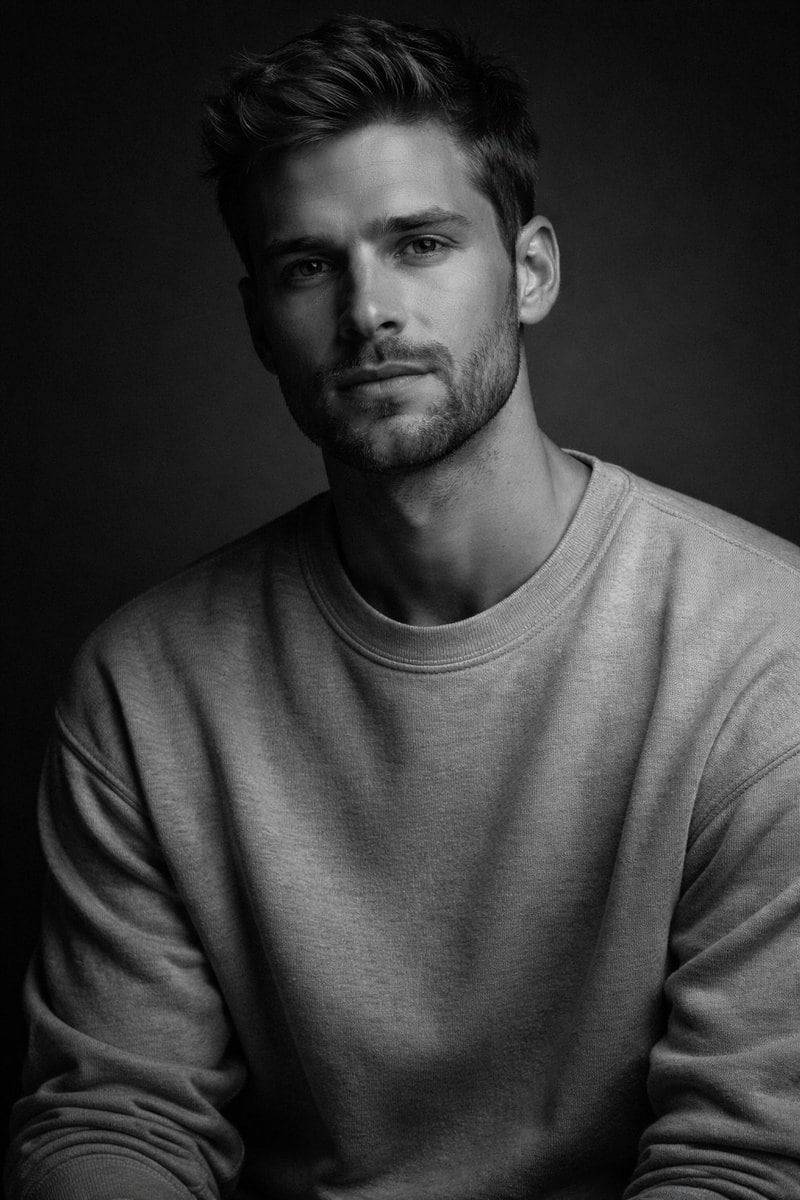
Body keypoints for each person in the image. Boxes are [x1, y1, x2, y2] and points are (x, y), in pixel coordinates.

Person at [5, 13, 800, 1200]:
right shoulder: (146, 683)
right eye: (309, 265)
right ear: (256, 319)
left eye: (420, 243)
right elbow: (120, 1118)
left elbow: (741, 1159)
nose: (368, 310)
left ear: (528, 270)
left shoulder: (762, 650)